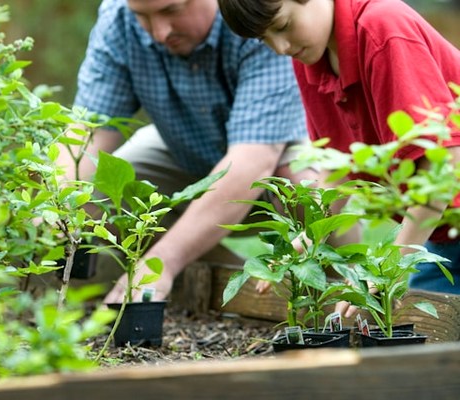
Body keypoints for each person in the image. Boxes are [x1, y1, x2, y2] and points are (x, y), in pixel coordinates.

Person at [57, 0, 314, 303]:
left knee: (308, 190)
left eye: (171, 11)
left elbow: (251, 162)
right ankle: (212, 275)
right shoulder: (118, 19)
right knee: (102, 191)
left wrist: (160, 264)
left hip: (275, 152)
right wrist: (53, 205)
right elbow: (89, 132)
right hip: (183, 150)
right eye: (143, 17)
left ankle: (335, 292)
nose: (159, 32)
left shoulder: (254, 14)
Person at [217, 0, 460, 308]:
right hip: (443, 235)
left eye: (282, 26)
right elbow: (340, 165)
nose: (280, 47)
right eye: (265, 39)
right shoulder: (311, 58)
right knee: (428, 332)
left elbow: (444, 163)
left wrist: (388, 269)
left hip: (442, 218)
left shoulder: (382, 28)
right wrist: (307, 239)